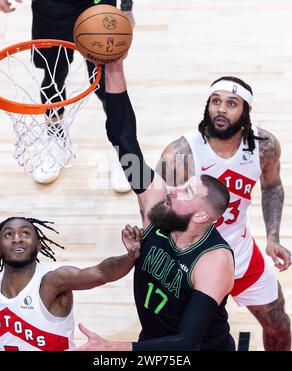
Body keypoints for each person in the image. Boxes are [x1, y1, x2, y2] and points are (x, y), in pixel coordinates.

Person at [74, 57, 236, 351]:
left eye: (186, 192)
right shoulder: (157, 205)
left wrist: (113, 348)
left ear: (201, 214)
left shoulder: (214, 261)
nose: (174, 191)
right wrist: (114, 67)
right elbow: (124, 141)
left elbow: (187, 342)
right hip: (154, 343)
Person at [155, 76, 291, 351]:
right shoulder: (181, 153)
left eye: (231, 103)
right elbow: (156, 210)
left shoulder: (264, 147)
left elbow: (273, 186)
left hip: (239, 253)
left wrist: (273, 237)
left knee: (279, 327)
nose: (221, 109)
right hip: (191, 262)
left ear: (246, 112)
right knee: (187, 342)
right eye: (215, 101)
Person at [0, 216, 141, 351]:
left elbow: (101, 273)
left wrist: (129, 257)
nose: (17, 238)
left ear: (39, 245)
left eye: (25, 233)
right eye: (8, 234)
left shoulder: (53, 281)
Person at [30, 0, 133, 190]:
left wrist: (126, 8)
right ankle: (56, 139)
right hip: (49, 6)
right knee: (53, 75)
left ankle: (123, 149)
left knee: (107, 79)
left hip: (98, 4)